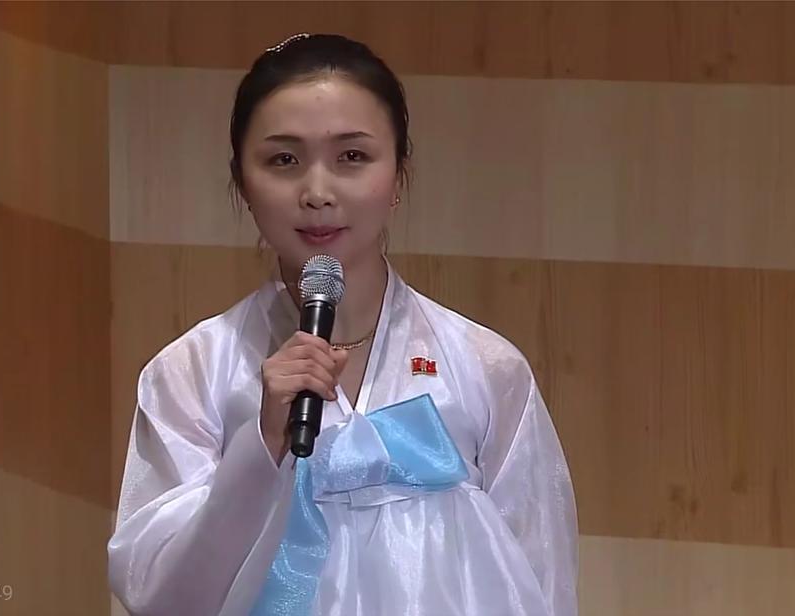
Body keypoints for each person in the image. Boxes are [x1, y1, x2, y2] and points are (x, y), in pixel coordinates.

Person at [108, 33, 578, 616]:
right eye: (284, 160)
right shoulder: (191, 371)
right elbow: (161, 596)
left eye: (352, 157)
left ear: (398, 175)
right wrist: (263, 445)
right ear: (242, 183)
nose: (317, 193)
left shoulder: (486, 368)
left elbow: (542, 582)